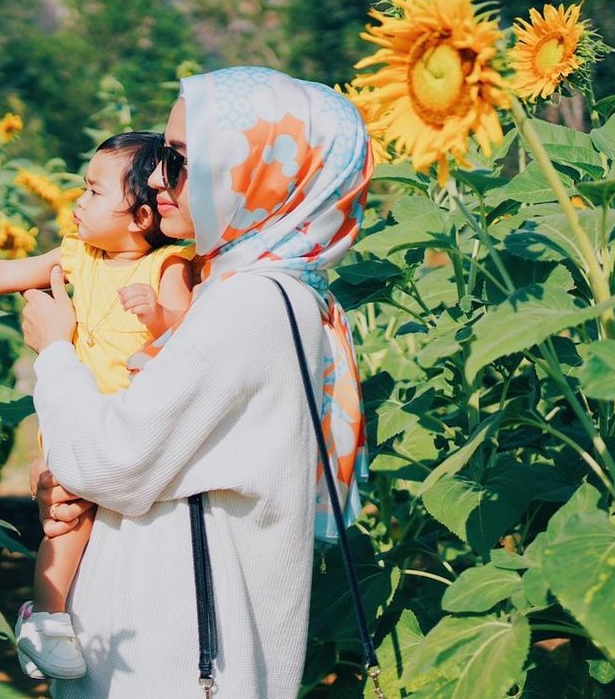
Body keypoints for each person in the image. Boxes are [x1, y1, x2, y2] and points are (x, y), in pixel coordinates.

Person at [21, 67, 373, 698]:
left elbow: (113, 458)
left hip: (178, 664)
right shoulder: (226, 287)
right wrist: (57, 478)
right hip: (152, 643)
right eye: (162, 154)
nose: (156, 178)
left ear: (256, 171)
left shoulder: (254, 305)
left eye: (179, 159)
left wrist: (54, 352)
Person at [0, 131, 195, 681]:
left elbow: (184, 330)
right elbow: (8, 273)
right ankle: (45, 619)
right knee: (65, 519)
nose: (77, 202)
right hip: (77, 418)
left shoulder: (167, 267)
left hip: (129, 424)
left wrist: (154, 317)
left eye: (94, 193)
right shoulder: (78, 255)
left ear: (142, 216)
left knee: (102, 526)